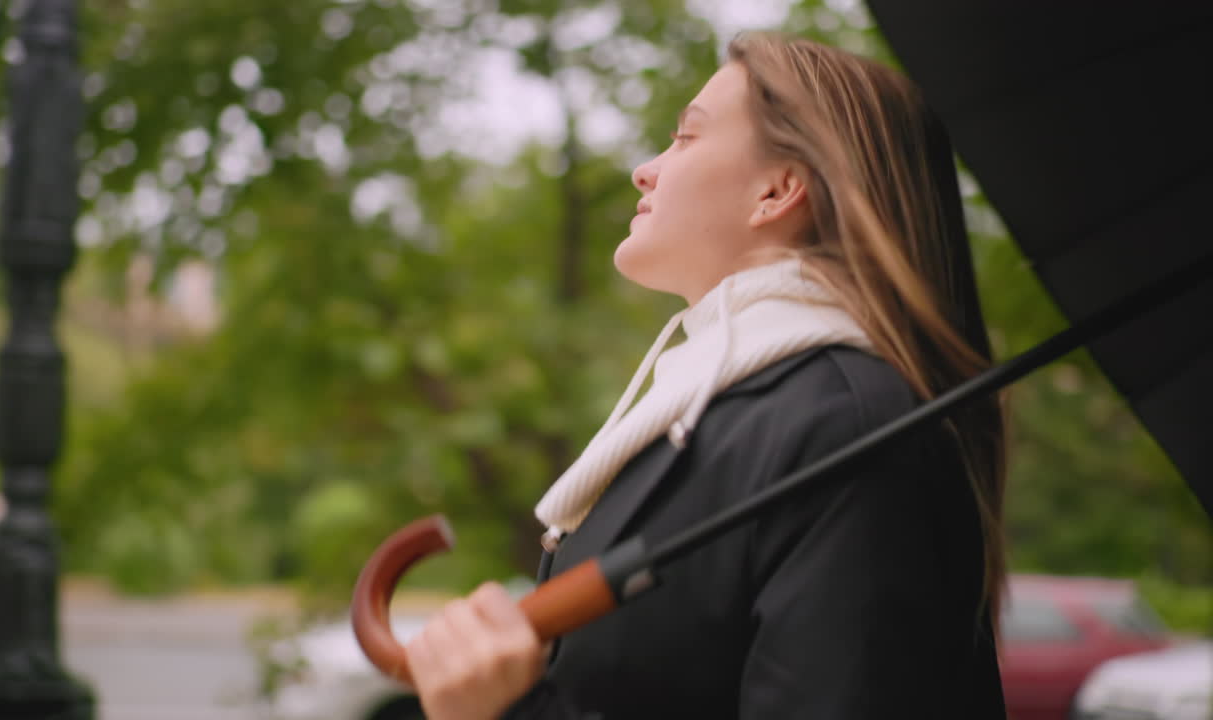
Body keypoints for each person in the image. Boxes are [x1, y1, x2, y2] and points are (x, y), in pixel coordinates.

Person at [403, 32, 1008, 719]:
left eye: (685, 138)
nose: (645, 170)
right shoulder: (710, 417)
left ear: (778, 190)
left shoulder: (850, 429)